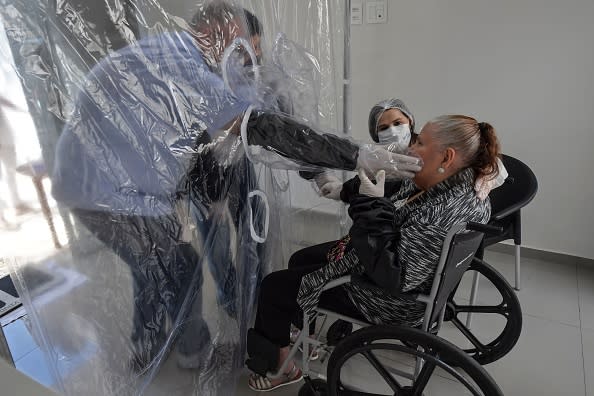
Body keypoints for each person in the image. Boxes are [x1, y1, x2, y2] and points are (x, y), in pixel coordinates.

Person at [51, 1, 421, 374]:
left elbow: (263, 118)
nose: (249, 57)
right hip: (102, 192)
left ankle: (163, 344)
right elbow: (261, 127)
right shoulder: (185, 66)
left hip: (123, 185)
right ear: (216, 31)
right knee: (173, 265)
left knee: (165, 264)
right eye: (245, 46)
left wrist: (319, 170)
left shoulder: (184, 56)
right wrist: (355, 154)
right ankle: (181, 351)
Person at [246, 114, 500, 392]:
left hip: (384, 297)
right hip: (387, 265)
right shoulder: (466, 183)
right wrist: (347, 191)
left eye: (422, 143)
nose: (412, 148)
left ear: (447, 157)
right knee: (300, 259)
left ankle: (281, 368)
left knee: (273, 287)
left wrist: (370, 204)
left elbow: (393, 274)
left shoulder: (440, 213)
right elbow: (392, 187)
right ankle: (304, 338)